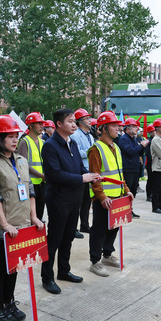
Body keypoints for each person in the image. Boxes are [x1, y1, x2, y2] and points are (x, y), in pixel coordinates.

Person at [0, 115, 43, 321]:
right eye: (10, 136)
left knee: (14, 266)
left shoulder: (21, 160)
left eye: (17, 136)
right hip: (1, 227)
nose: (15, 140)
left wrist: (33, 217)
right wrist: (5, 224)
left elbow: (30, 190)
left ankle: (9, 301)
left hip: (21, 225)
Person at [40, 108, 100, 294]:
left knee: (68, 237)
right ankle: (47, 277)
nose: (74, 125)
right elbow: (55, 174)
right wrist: (81, 178)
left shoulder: (72, 143)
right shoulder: (50, 146)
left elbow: (79, 167)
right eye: (70, 121)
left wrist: (89, 175)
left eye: (75, 121)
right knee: (54, 239)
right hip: (59, 199)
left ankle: (64, 271)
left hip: (74, 197)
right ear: (59, 124)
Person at [86, 112, 132, 277]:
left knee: (114, 226)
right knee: (99, 229)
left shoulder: (116, 147)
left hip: (117, 196)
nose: (118, 128)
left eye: (117, 126)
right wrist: (102, 196)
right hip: (104, 198)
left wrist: (126, 190)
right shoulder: (96, 149)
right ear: (104, 128)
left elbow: (119, 173)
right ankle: (95, 261)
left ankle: (107, 254)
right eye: (113, 126)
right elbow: (94, 176)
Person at [17, 112, 47, 220]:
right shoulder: (24, 142)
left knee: (39, 213)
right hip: (30, 183)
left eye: (42, 123)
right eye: (39, 123)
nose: (42, 126)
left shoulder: (42, 142)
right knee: (30, 215)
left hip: (42, 183)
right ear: (30, 125)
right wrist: (41, 175)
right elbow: (23, 164)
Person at [70, 108, 94, 237]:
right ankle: (73, 228)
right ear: (80, 121)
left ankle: (84, 224)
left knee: (86, 201)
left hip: (89, 172)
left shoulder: (90, 136)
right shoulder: (75, 135)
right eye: (87, 119)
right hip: (80, 172)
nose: (90, 121)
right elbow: (76, 153)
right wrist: (90, 151)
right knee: (77, 202)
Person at [116, 118, 146, 218]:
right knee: (127, 191)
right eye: (134, 127)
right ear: (128, 128)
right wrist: (141, 146)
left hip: (135, 168)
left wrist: (142, 147)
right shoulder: (124, 139)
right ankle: (124, 211)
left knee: (133, 191)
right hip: (128, 168)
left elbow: (138, 152)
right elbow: (130, 151)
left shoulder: (134, 138)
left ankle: (129, 209)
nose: (136, 129)